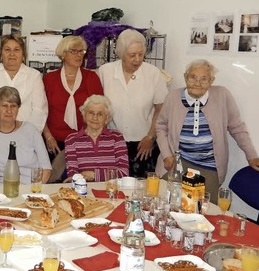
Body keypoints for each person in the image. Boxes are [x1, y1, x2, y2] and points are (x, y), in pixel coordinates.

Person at [155, 59, 259, 203]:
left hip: (209, 167)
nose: (197, 83)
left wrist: (252, 157)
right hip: (176, 164)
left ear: (211, 80)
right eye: (193, 77)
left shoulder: (222, 95)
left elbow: (237, 127)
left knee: (203, 214)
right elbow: (161, 126)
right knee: (167, 206)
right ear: (185, 77)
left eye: (204, 79)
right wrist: (167, 155)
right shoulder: (173, 96)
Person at [98, 29, 168, 177]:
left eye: (141, 54)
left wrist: (150, 137)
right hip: (111, 141)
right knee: (111, 186)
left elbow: (161, 108)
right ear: (121, 54)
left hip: (143, 143)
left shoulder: (153, 73)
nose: (137, 59)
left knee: (140, 189)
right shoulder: (105, 71)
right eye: (132, 55)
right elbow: (98, 106)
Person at [0, 86, 51, 185]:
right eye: (4, 105)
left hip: (28, 190)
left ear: (18, 108)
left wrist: (33, 192)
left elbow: (46, 169)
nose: (9, 110)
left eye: (13, 106)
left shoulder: (31, 130)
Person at [0, 35, 48, 133]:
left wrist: (26, 134)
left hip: (25, 136)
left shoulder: (34, 76)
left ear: (23, 55)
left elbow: (39, 111)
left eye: (16, 50)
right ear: (1, 54)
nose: (12, 54)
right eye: (7, 50)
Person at [43, 36, 103, 154]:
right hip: (55, 141)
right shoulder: (50, 79)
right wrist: (48, 137)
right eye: (73, 51)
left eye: (81, 51)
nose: (79, 55)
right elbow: (41, 111)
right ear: (63, 54)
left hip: (85, 140)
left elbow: (101, 111)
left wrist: (92, 138)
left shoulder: (91, 78)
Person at [64, 95, 129, 182]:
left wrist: (94, 175)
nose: (95, 118)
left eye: (100, 114)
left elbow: (124, 173)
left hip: (111, 190)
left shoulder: (116, 138)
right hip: (83, 191)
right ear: (84, 115)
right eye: (91, 113)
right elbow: (73, 175)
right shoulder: (72, 140)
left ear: (106, 118)